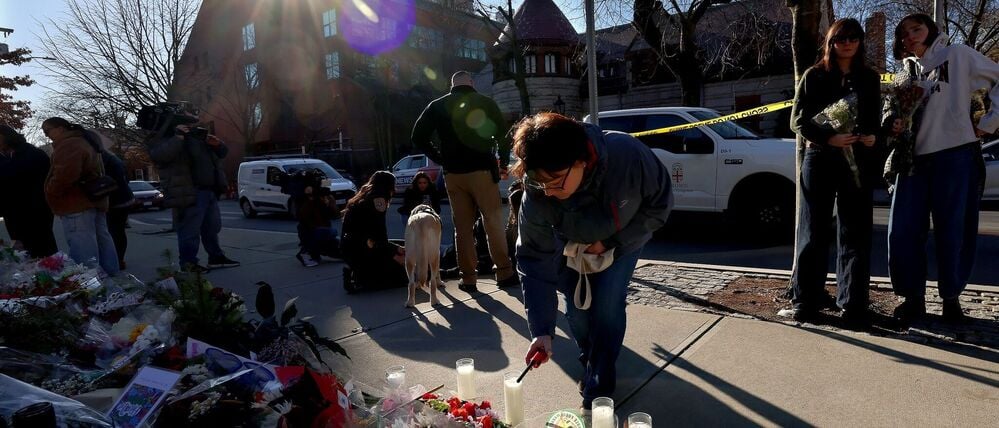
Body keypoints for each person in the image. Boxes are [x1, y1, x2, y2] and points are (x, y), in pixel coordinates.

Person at [514, 113, 673, 412]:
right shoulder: (538, 190)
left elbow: (660, 206)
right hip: (571, 247)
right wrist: (542, 331)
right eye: (540, 183)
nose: (548, 192)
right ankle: (591, 358)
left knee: (608, 306)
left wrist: (610, 243)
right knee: (577, 313)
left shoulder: (628, 156)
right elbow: (534, 258)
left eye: (555, 182)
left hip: (622, 242)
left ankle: (600, 382)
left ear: (581, 161)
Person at [885, 13, 999, 323]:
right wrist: (894, 124)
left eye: (916, 29)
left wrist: (988, 124)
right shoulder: (904, 74)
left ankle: (952, 299)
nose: (910, 36)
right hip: (913, 161)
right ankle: (913, 298)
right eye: (904, 34)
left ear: (931, 29)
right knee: (903, 231)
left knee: (954, 231)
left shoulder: (958, 55)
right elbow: (893, 113)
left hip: (955, 155)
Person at [783, 18, 882, 325]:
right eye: (840, 39)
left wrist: (872, 136)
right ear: (831, 42)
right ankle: (806, 300)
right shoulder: (814, 75)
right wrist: (828, 137)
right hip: (820, 157)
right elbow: (797, 120)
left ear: (861, 41)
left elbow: (874, 117)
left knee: (855, 231)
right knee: (814, 230)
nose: (847, 43)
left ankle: (853, 302)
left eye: (853, 38)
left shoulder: (869, 78)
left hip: (857, 160)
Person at [411, 71, 518, 292]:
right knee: (492, 222)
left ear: (452, 84)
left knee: (462, 227)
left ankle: (468, 278)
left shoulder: (437, 106)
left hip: (453, 174)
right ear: (471, 83)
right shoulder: (485, 102)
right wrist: (504, 163)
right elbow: (502, 136)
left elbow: (418, 136)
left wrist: (441, 158)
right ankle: (504, 272)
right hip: (482, 171)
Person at [146, 111, 239, 273]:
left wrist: (217, 144)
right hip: (189, 191)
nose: (191, 124)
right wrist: (178, 137)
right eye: (187, 121)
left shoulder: (197, 136)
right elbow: (160, 156)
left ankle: (216, 257)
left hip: (209, 189)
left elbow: (222, 153)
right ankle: (188, 263)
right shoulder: (165, 136)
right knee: (190, 230)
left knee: (211, 228)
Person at [41, 118, 119, 275]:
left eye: (47, 130)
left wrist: (51, 190)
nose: (46, 134)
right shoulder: (84, 140)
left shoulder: (70, 144)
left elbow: (65, 174)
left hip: (76, 203)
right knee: (101, 240)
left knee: (83, 247)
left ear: (61, 128)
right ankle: (111, 278)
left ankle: (89, 284)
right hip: (91, 200)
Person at [340, 171, 408, 292]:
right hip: (362, 247)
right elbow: (380, 233)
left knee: (398, 245)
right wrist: (394, 254)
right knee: (403, 278)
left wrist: (395, 248)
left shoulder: (365, 197)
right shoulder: (379, 199)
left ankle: (357, 273)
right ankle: (360, 278)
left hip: (352, 245)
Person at [0, 124, 57, 258]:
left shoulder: (31, 153)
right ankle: (31, 276)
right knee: (21, 251)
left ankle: (53, 274)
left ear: (7, 137)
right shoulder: (4, 157)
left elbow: (38, 180)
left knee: (42, 248)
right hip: (12, 213)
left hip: (35, 210)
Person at [80, 130, 134, 270]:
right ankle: (119, 260)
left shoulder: (100, 158)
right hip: (122, 198)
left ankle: (116, 261)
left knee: (112, 232)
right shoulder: (109, 156)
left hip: (115, 200)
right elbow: (125, 178)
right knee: (117, 231)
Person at [295, 184, 341, 267]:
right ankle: (305, 253)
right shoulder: (310, 205)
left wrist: (331, 204)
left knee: (335, 243)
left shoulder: (324, 206)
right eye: (324, 197)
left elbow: (335, 215)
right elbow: (305, 222)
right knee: (331, 232)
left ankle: (315, 253)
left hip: (319, 234)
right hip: (310, 233)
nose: (326, 199)